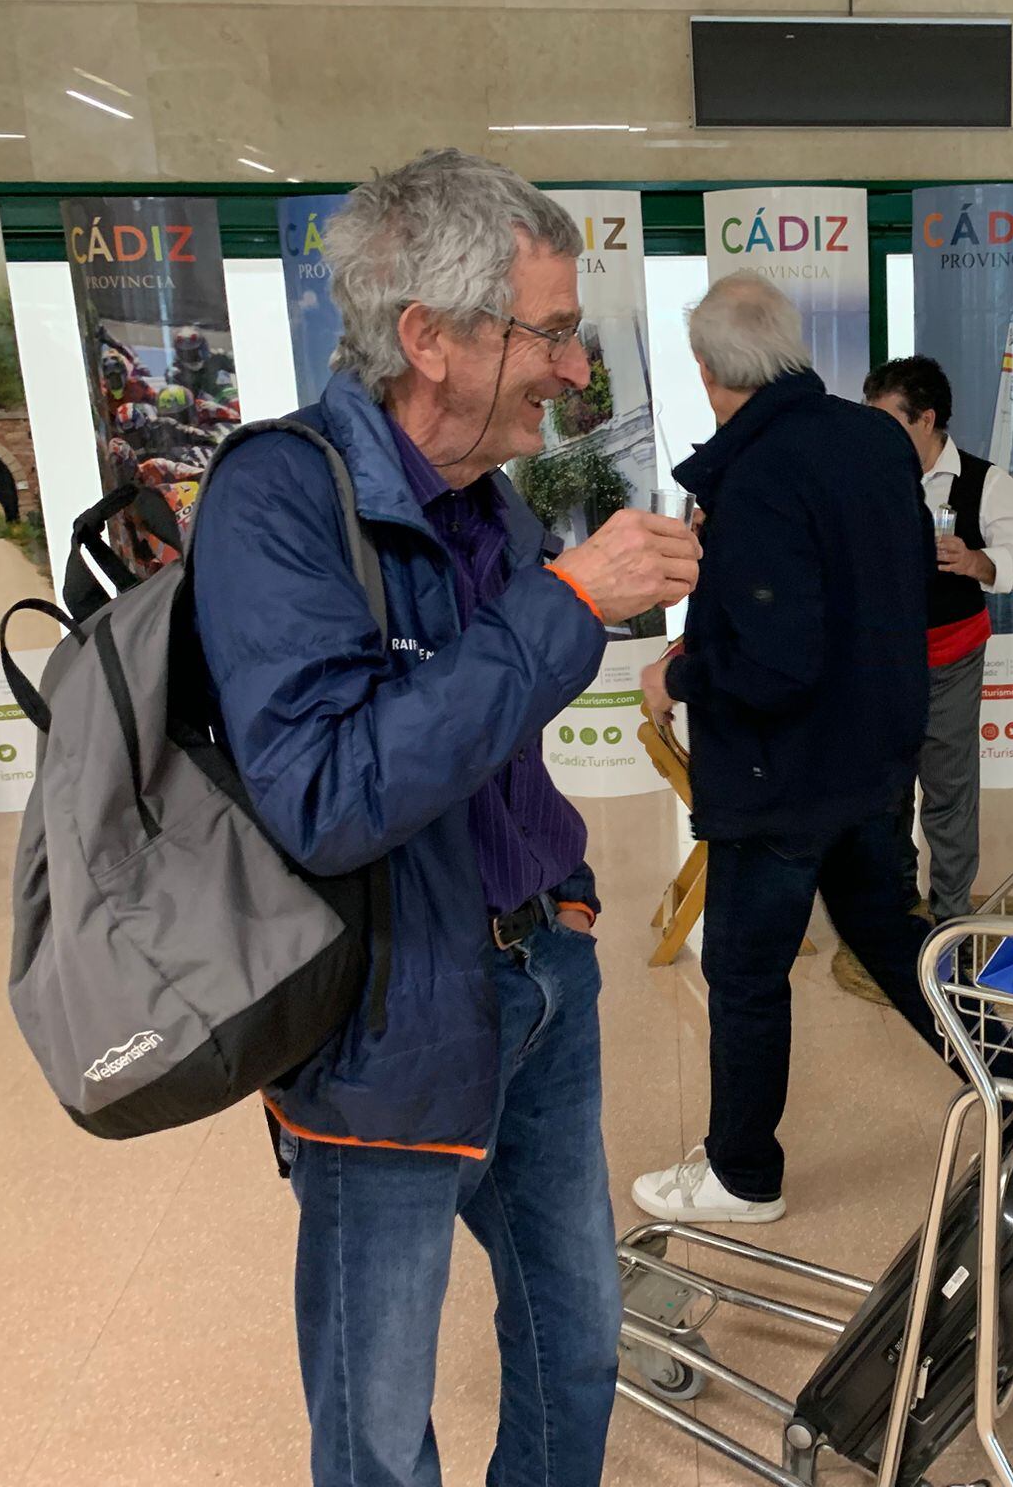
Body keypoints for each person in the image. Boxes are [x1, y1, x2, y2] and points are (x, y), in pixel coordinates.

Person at [191, 148, 701, 1487]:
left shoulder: (493, 503)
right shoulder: (277, 498)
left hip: (546, 974)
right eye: (551, 334)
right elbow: (328, 793)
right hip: (385, 1021)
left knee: (576, 1343)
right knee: (375, 1422)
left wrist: (568, 903)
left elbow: (489, 733)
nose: (575, 371)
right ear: (431, 337)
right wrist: (569, 605)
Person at [632, 271, 943, 1225]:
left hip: (781, 777)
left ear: (706, 369)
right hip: (872, 760)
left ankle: (741, 1174)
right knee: (896, 946)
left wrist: (679, 675)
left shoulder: (759, 473)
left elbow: (773, 660)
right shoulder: (873, 442)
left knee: (747, 973)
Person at [864, 355, 1013, 926]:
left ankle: (951, 918)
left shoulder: (987, 481)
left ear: (928, 419)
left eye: (889, 423)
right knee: (885, 792)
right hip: (881, 663)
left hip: (950, 660)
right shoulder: (865, 478)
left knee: (948, 792)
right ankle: (894, 909)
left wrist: (975, 561)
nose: (877, 436)